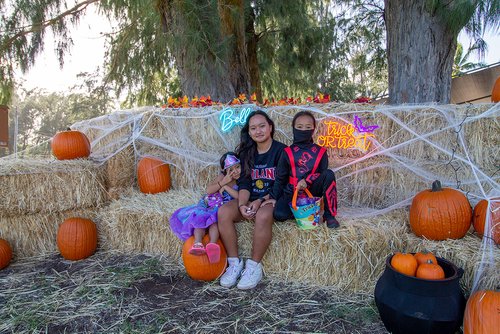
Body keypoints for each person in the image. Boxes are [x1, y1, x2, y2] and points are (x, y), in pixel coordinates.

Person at [217, 110, 286, 290]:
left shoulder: (281, 151)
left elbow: (282, 182)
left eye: (262, 126)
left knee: (263, 216)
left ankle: (254, 267)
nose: (258, 131)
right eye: (253, 128)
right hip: (250, 197)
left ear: (270, 127)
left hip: (272, 198)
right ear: (249, 132)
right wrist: (241, 205)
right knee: (223, 212)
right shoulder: (247, 153)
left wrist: (262, 200)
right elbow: (245, 183)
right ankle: (234, 264)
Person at [271, 110, 340, 228]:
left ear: (313, 129)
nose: (303, 130)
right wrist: (273, 198)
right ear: (293, 128)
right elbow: (280, 178)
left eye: (308, 127)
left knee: (329, 174)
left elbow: (322, 175)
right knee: (279, 214)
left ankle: (329, 216)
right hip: (292, 191)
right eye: (299, 126)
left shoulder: (321, 151)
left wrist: (306, 181)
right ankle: (301, 211)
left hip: (312, 191)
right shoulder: (287, 152)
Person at [170, 152, 241, 263]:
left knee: (214, 222)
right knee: (201, 219)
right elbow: (208, 190)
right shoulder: (222, 177)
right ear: (225, 171)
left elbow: (239, 197)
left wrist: (226, 187)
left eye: (237, 167)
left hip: (221, 207)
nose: (235, 171)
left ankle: (212, 244)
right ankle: (197, 242)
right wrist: (222, 182)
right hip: (209, 203)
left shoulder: (241, 181)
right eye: (230, 170)